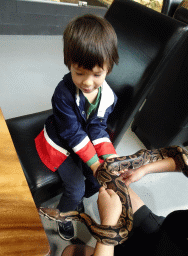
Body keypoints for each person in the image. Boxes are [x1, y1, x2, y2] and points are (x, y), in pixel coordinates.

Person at [35, 14, 119, 240]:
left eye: (97, 74)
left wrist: (111, 158)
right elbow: (73, 134)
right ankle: (63, 215)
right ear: (69, 64)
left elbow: (98, 129)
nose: (88, 82)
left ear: (109, 68)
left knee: (94, 181)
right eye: (79, 73)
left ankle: (74, 205)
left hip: (82, 143)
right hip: (61, 143)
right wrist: (94, 163)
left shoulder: (109, 96)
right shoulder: (63, 94)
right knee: (76, 188)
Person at [62, 154, 188, 256]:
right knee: (114, 180)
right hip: (159, 233)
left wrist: (108, 223)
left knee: (70, 251)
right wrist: (144, 169)